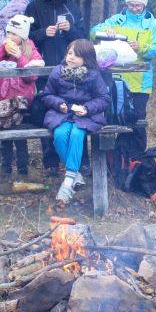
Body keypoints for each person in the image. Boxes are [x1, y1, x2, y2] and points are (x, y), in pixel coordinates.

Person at [27, 0, 86, 174]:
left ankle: (80, 162)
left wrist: (71, 30)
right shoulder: (35, 7)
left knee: (75, 113)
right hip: (44, 71)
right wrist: (43, 33)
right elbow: (25, 38)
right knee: (49, 112)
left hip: (72, 71)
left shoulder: (72, 8)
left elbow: (83, 40)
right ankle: (51, 163)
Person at [91, 0, 156, 146]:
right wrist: (105, 30)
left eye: (138, 5)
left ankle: (137, 157)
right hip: (116, 81)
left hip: (140, 84)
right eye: (131, 5)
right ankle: (116, 157)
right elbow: (93, 32)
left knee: (137, 123)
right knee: (114, 120)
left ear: (144, 4)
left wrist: (141, 47)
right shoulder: (117, 20)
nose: (134, 9)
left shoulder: (152, 24)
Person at [40, 39, 110, 204]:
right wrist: (59, 104)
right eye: (70, 53)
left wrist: (87, 108)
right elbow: (47, 95)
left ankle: (68, 182)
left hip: (86, 116)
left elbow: (104, 98)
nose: (71, 57)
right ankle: (75, 174)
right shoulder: (58, 72)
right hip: (62, 114)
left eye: (77, 55)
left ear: (86, 59)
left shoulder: (93, 75)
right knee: (59, 135)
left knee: (77, 135)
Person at [0, 14, 45, 174]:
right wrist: (1, 48)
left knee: (19, 138)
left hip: (21, 104)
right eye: (8, 33)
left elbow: (31, 77)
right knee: (5, 138)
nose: (10, 36)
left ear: (23, 36)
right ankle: (6, 170)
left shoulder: (31, 51)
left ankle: (23, 169)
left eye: (14, 34)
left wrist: (19, 57)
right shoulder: (3, 50)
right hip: (2, 103)